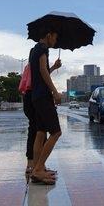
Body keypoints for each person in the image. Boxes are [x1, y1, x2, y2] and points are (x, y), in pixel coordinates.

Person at [29, 27, 62, 185]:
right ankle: (39, 169)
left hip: (36, 96)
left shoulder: (34, 50)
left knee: (41, 133)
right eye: (55, 38)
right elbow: (42, 70)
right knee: (56, 132)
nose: (55, 42)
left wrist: (54, 67)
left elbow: (41, 72)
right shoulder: (43, 48)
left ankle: (37, 168)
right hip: (43, 97)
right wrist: (55, 92)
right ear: (48, 34)